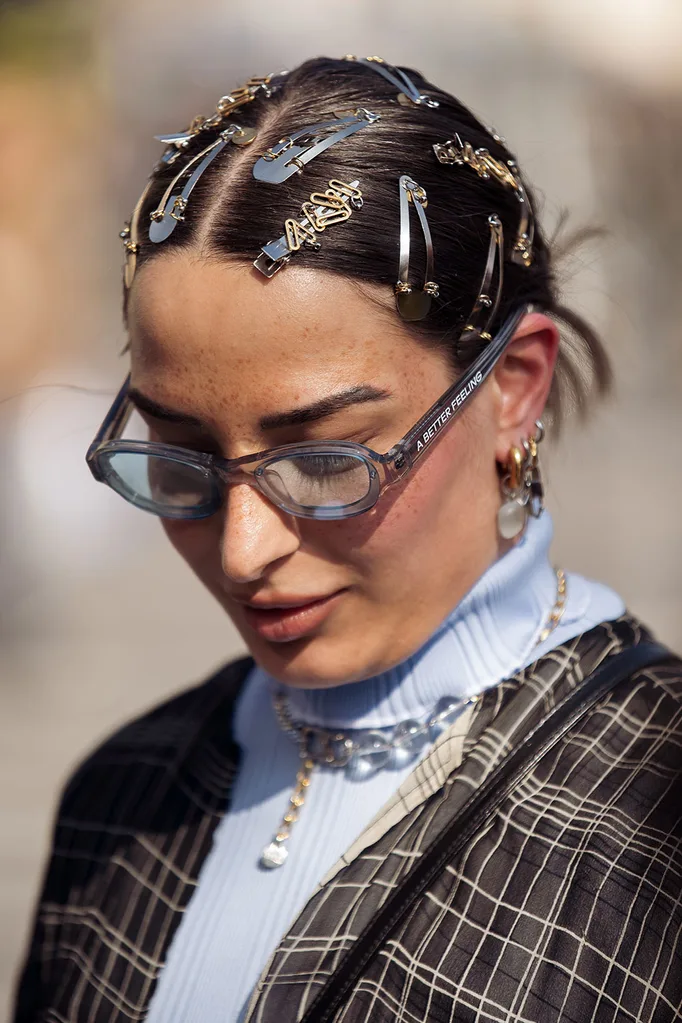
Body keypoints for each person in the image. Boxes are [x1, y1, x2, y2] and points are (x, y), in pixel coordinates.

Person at [13, 57, 682, 1023]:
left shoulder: (650, 811)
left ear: (514, 386)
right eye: (179, 456)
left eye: (325, 461)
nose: (244, 550)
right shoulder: (126, 795)